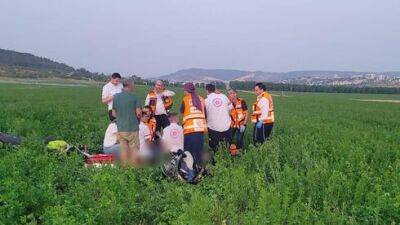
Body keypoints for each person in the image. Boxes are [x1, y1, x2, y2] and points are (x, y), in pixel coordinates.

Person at [112, 79, 141, 167]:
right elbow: (138, 113)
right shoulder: (134, 97)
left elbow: (113, 113)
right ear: (130, 85)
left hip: (121, 128)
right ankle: (133, 169)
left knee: (123, 149)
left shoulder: (116, 97)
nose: (134, 86)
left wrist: (121, 118)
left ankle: (124, 169)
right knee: (134, 149)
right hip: (132, 128)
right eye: (133, 84)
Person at [180, 83, 207, 169]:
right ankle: (199, 170)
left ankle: (188, 171)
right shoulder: (202, 99)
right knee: (198, 152)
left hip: (189, 129)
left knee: (188, 152)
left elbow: (182, 111)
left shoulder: (185, 99)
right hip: (200, 130)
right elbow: (205, 114)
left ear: (186, 90)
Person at [205, 84, 232, 153]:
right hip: (226, 126)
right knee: (227, 146)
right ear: (214, 89)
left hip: (213, 127)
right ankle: (228, 160)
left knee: (214, 148)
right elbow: (230, 108)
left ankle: (216, 162)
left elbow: (204, 114)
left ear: (207, 90)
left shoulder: (206, 100)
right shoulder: (223, 96)